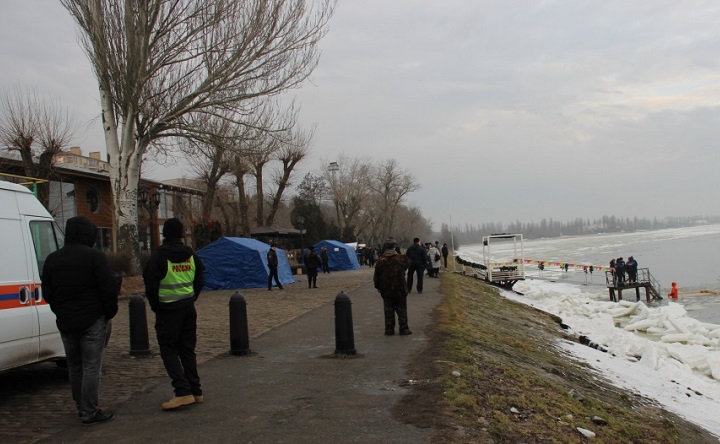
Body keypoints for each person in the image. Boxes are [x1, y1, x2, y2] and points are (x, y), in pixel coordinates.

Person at [41, 216, 119, 425]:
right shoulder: (95, 257)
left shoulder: (52, 259)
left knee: (74, 367)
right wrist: (108, 313)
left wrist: (60, 310)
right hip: (92, 320)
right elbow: (108, 289)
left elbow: (48, 293)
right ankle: (90, 410)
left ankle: (81, 406)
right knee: (92, 366)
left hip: (66, 321)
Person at [143, 218, 205, 411]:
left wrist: (157, 306)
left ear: (164, 234)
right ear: (181, 234)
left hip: (167, 310)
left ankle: (182, 392)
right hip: (188, 308)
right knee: (187, 349)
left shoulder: (159, 256)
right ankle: (196, 391)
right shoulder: (191, 255)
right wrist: (191, 298)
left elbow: (150, 285)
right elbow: (200, 279)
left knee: (168, 349)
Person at [373, 238, 412, 336]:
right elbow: (408, 264)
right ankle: (404, 329)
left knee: (388, 310)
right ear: (395, 246)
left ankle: (389, 330)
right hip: (400, 288)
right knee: (402, 310)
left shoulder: (380, 261)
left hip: (386, 289)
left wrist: (378, 286)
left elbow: (376, 276)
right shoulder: (402, 258)